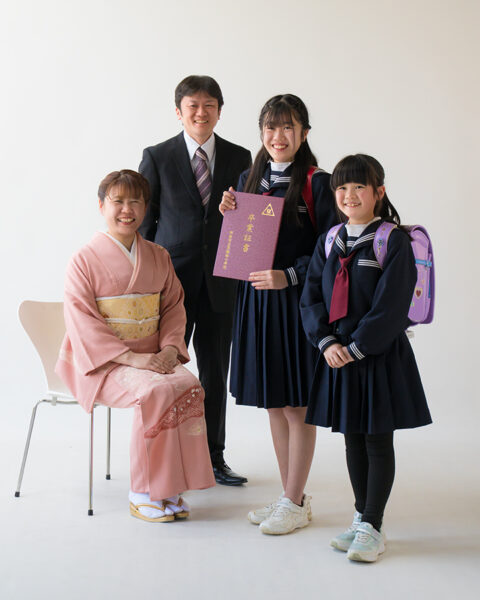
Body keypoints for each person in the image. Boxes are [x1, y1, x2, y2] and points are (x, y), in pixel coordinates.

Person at [56, 170, 216, 523]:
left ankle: (171, 487)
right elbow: (81, 318)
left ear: (146, 208)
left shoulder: (158, 255)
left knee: (189, 385)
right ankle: (142, 491)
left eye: (135, 202)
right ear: (101, 206)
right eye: (118, 201)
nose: (127, 210)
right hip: (105, 362)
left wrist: (170, 350)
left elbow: (173, 307)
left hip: (153, 358)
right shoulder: (83, 259)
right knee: (155, 392)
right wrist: (131, 358)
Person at [300, 154, 432, 561]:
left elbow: (391, 304)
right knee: (352, 438)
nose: (349, 195)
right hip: (338, 354)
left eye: (359, 186)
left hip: (376, 355)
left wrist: (357, 347)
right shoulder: (330, 239)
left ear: (379, 192)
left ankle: (373, 525)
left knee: (376, 439)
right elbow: (311, 297)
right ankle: (361, 517)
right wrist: (326, 343)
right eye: (342, 187)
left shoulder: (392, 240)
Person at [220, 94, 337, 534]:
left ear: (304, 132)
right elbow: (242, 242)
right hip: (256, 302)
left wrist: (288, 276)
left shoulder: (318, 183)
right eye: (270, 127)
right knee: (273, 402)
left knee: (296, 406)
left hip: (296, 305)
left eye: (288, 126)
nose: (278, 136)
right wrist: (228, 214)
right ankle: (292, 497)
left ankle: (293, 499)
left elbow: (330, 249)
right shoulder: (248, 178)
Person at [139, 75, 251, 486]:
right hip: (172, 286)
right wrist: (146, 280)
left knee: (215, 373)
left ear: (219, 111)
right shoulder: (157, 156)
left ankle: (213, 458)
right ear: (179, 111)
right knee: (164, 373)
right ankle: (163, 459)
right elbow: (145, 222)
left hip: (223, 282)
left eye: (209, 105)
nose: (201, 113)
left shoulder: (241, 157)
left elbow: (250, 219)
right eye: (193, 106)